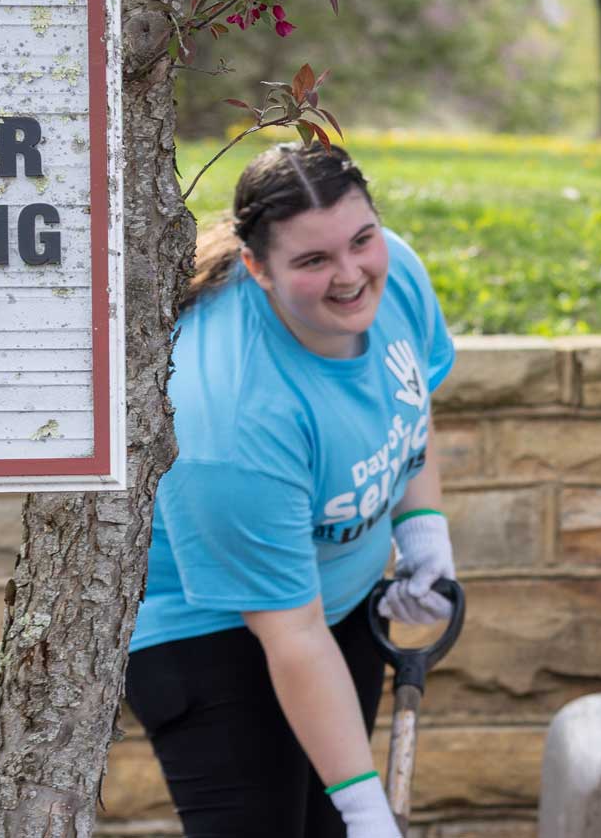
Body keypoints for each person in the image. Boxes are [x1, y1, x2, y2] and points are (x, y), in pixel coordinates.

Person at [125, 142, 459, 838]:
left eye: (360, 240)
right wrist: (370, 813)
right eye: (313, 261)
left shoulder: (392, 274)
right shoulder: (233, 416)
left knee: (330, 821)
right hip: (207, 633)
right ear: (258, 268)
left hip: (335, 602)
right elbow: (292, 634)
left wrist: (423, 532)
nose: (350, 275)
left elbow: (409, 399)